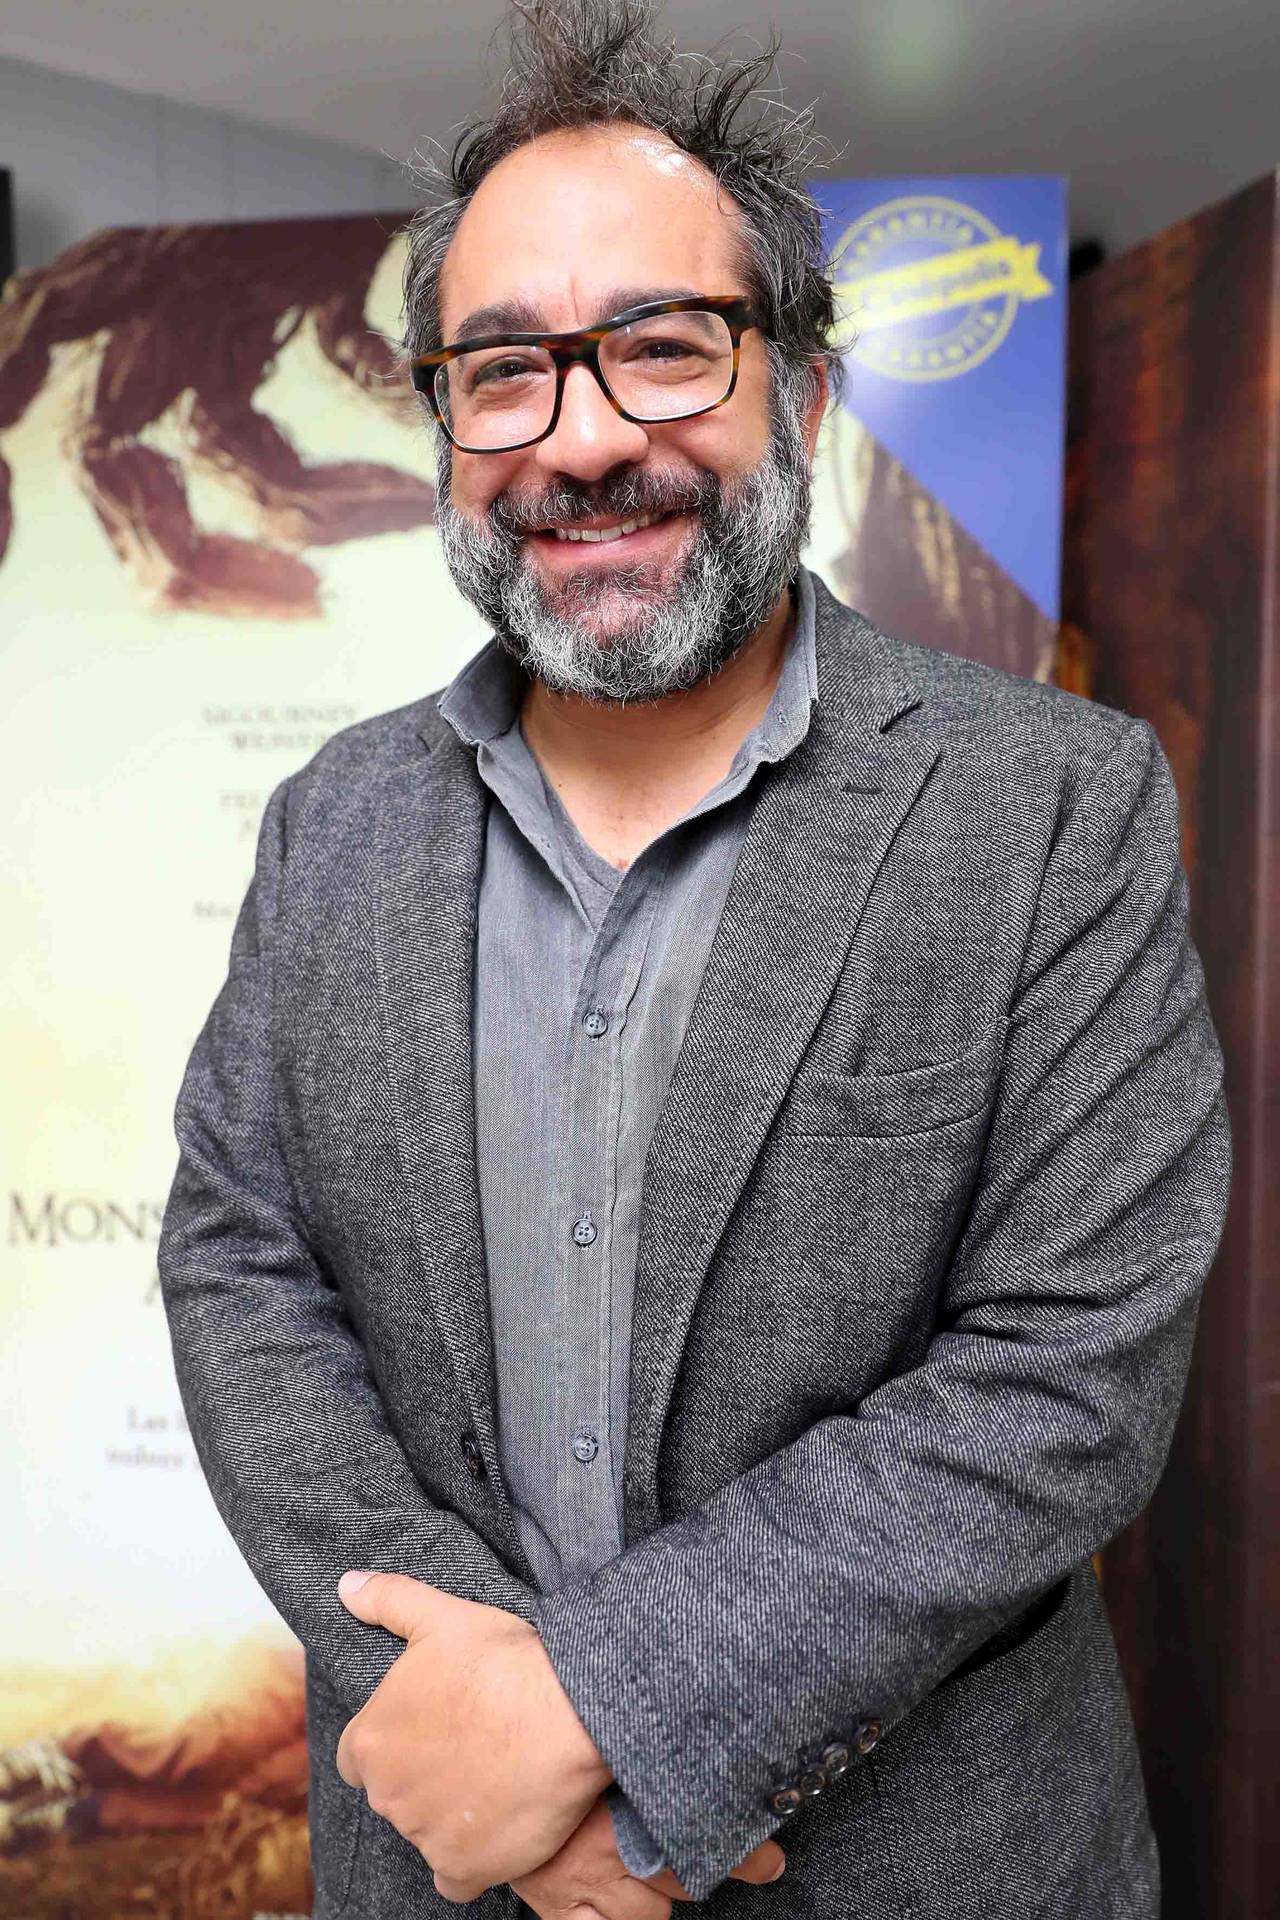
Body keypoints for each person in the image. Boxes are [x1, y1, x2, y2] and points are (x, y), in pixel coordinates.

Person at [156, 4, 1232, 1917]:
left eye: (663, 348)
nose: (582, 441)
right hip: (444, 1861)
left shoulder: (1053, 807)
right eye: (505, 372)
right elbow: (243, 1271)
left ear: (800, 395)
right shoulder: (334, 825)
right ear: (446, 428)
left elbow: (1067, 1373)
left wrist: (594, 1722)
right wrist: (494, 1756)